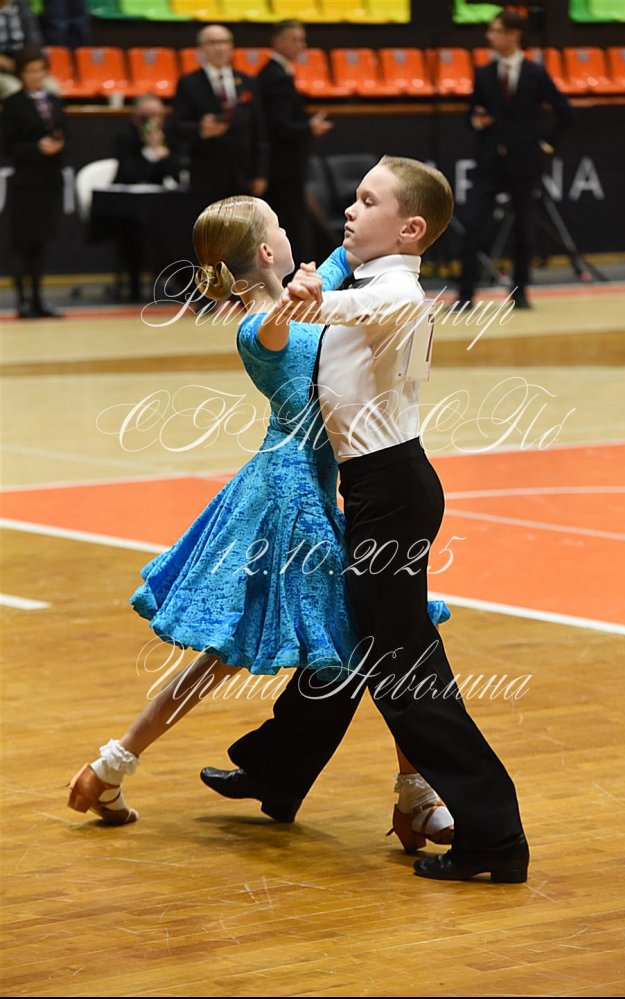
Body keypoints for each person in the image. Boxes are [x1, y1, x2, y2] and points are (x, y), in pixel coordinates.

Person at [67, 194, 455, 853]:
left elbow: (350, 259)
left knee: (333, 641)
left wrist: (396, 221)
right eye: (278, 224)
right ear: (268, 252)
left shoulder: (303, 292)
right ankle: (415, 795)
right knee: (369, 635)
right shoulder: (258, 325)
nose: (290, 230)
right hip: (285, 498)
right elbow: (278, 325)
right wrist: (301, 295)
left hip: (311, 487)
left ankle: (109, 767)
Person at [202, 156, 530, 884]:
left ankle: (494, 836)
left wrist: (311, 296)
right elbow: (336, 286)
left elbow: (352, 308)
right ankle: (278, 767)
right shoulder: (366, 276)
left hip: (392, 492)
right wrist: (319, 282)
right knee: (357, 646)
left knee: (404, 671)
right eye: (353, 197)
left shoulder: (397, 291)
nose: (350, 210)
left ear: (410, 229)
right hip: (382, 489)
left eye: (368, 201)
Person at [457, 10, 574, 310]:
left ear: (514, 34)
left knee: (523, 227)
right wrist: (476, 121)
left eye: (496, 31)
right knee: (473, 223)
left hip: (524, 162)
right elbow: (471, 114)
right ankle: (465, 293)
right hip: (490, 161)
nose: (490, 36)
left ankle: (520, 291)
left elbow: (565, 112)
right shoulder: (484, 73)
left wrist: (545, 145)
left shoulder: (535, 73)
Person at [257, 19, 332, 270]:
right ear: (278, 42)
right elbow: (278, 124)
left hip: (286, 164)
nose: (302, 45)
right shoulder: (275, 76)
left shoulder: (280, 73)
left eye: (303, 39)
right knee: (289, 222)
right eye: (295, 39)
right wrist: (309, 128)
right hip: (282, 166)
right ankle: (294, 274)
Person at [171, 24, 268, 210]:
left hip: (242, 172)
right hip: (206, 172)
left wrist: (260, 173)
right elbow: (177, 127)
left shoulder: (247, 81)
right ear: (201, 49)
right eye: (213, 43)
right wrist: (201, 129)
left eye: (224, 42)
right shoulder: (189, 83)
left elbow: (259, 130)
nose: (220, 48)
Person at [2, 46, 65, 319]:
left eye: (40, 70)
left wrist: (58, 145)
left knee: (41, 241)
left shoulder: (55, 101)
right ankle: (22, 300)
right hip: (26, 180)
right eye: (30, 71)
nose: (36, 75)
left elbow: (65, 133)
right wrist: (36, 148)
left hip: (49, 179)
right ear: (21, 74)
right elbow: (7, 146)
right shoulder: (13, 104)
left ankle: (39, 298)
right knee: (22, 242)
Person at [112, 93, 179, 301]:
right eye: (147, 116)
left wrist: (162, 153)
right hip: (130, 206)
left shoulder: (170, 136)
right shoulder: (125, 138)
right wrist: (149, 153)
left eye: (158, 115)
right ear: (136, 118)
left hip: (163, 204)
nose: (153, 121)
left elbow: (174, 174)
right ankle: (134, 285)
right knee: (134, 230)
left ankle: (181, 281)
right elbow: (128, 173)